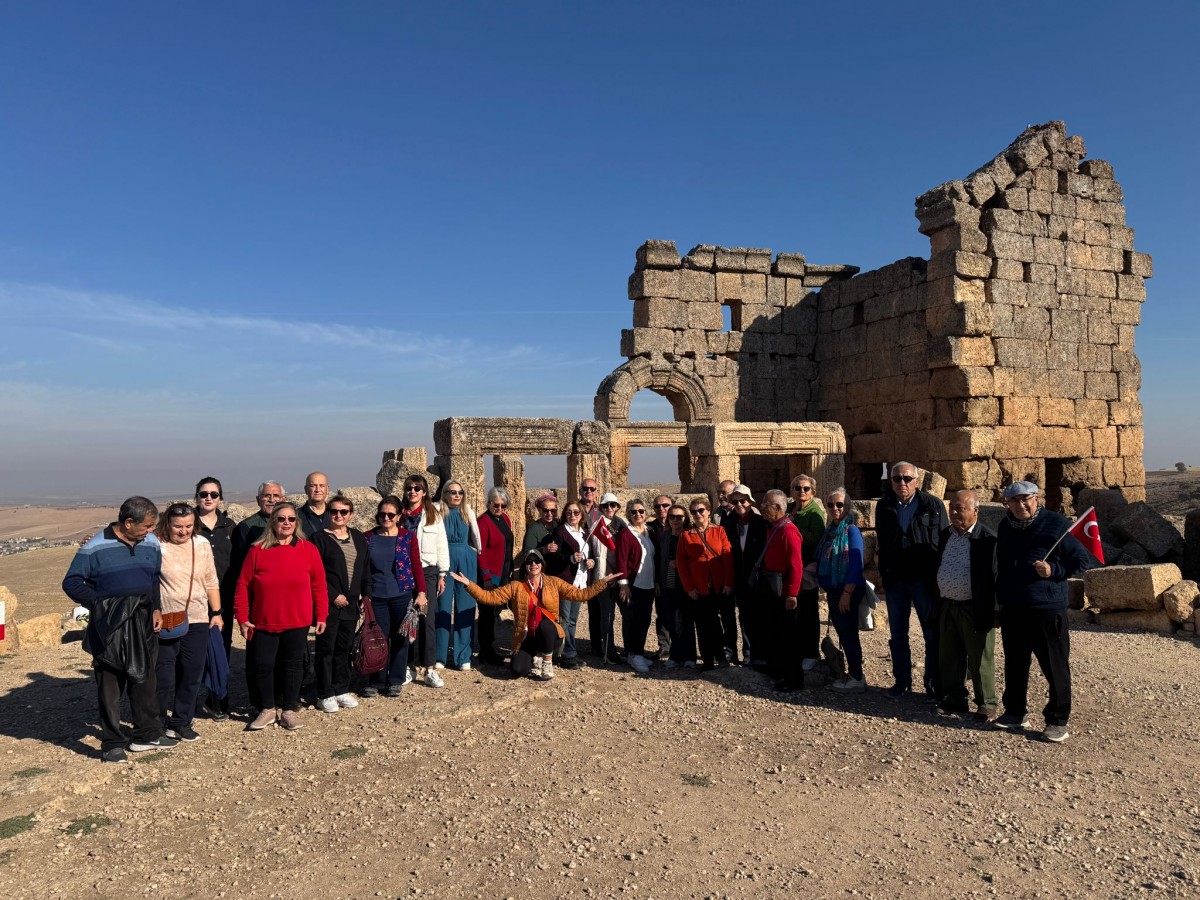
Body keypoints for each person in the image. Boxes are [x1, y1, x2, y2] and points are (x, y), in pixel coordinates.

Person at [63, 497, 177, 762]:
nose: (151, 531)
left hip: (143, 621)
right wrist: (103, 605)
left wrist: (157, 609)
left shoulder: (149, 543)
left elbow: (153, 579)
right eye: (147, 525)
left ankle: (147, 734)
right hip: (109, 626)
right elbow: (72, 583)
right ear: (128, 522)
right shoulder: (95, 547)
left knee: (145, 678)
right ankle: (112, 743)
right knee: (110, 686)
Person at [993, 481, 1094, 742]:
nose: (1021, 505)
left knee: (1054, 666)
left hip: (1046, 609)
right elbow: (1002, 567)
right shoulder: (1005, 526)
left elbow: (1082, 560)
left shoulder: (1057, 524)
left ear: (1037, 499)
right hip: (1013, 608)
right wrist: (999, 603)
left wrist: (1054, 571)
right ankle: (1015, 713)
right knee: (1015, 664)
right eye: (1014, 500)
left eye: (1026, 499)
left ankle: (1057, 720)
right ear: (1007, 503)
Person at [450, 549, 622, 680]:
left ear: (542, 564)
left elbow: (580, 595)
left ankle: (547, 661)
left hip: (549, 636)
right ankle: (535, 657)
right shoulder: (516, 586)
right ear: (525, 567)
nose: (533, 564)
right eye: (529, 562)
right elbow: (490, 597)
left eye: (537, 561)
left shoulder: (553, 583)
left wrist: (602, 583)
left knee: (547, 625)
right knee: (517, 671)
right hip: (527, 637)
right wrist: (469, 584)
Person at [234, 501, 328, 730]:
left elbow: (319, 585)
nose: (286, 523)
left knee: (293, 665)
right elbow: (243, 585)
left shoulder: (308, 549)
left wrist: (322, 615)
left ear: (297, 523)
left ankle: (288, 710)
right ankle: (267, 709)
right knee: (263, 665)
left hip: (297, 619)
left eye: (291, 519)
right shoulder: (257, 550)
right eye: (281, 519)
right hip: (264, 619)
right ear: (273, 522)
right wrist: (242, 616)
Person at [875, 461, 949, 699]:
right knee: (898, 634)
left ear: (917, 481)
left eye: (907, 479)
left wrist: (940, 579)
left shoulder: (933, 505)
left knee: (931, 633)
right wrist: (884, 574)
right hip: (896, 580)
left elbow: (944, 542)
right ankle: (902, 680)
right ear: (891, 481)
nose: (902, 483)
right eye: (897, 479)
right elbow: (883, 543)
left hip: (924, 580)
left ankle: (933, 681)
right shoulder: (884, 506)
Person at [154, 503, 222, 742]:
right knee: (162, 674)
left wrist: (217, 612)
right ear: (167, 524)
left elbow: (211, 580)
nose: (183, 531)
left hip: (198, 618)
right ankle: (156, 722)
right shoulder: (156, 545)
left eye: (188, 526)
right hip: (166, 619)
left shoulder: (201, 545)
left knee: (191, 673)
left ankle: (181, 721)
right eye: (177, 526)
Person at [221, 480, 285, 715]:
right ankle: (259, 701)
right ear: (258, 500)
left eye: (276, 495)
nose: (271, 499)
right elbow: (240, 568)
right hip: (259, 600)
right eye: (267, 496)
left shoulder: (291, 523)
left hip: (285, 600)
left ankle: (283, 697)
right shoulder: (248, 526)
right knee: (259, 655)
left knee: (285, 652)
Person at [935, 490, 999, 721]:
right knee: (949, 656)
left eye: (960, 508)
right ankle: (954, 700)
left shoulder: (987, 540)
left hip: (975, 608)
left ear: (975, 511)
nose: (953, 512)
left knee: (980, 658)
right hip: (948, 606)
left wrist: (995, 611)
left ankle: (987, 704)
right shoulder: (946, 535)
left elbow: (995, 577)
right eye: (952, 507)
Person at [362, 495, 428, 697]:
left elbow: (416, 565)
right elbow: (363, 568)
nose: (386, 518)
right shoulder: (368, 537)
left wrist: (422, 592)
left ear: (399, 516)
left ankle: (396, 680)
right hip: (377, 596)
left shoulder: (408, 537)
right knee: (377, 638)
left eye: (391, 514)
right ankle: (376, 680)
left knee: (400, 638)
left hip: (402, 593)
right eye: (382, 514)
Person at [310, 493, 368, 713]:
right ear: (328, 513)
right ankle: (325, 693)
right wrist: (333, 594)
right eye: (334, 511)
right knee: (326, 648)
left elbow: (365, 568)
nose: (338, 515)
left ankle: (341, 688)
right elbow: (316, 573)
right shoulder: (318, 539)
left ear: (350, 515)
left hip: (352, 603)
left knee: (344, 648)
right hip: (329, 603)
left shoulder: (358, 537)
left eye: (343, 511)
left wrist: (366, 594)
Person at [816, 488, 868, 693]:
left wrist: (846, 594)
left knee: (848, 634)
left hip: (847, 590)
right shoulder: (830, 531)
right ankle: (852, 673)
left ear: (847, 506)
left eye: (840, 505)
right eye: (831, 505)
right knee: (843, 632)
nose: (835, 508)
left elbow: (856, 564)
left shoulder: (851, 530)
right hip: (834, 590)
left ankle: (856, 677)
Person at [401, 475, 449, 688]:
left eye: (417, 488)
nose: (413, 492)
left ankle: (429, 668)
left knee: (427, 619)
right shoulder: (399, 515)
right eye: (409, 488)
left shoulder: (432, 514)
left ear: (424, 492)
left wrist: (443, 573)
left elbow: (441, 543)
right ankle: (408, 665)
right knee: (406, 620)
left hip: (428, 570)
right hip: (404, 571)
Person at [194, 476, 236, 718]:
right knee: (193, 653)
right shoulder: (187, 525)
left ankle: (218, 699)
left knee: (221, 650)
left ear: (221, 498)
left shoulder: (229, 526)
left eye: (213, 494)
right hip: (194, 600)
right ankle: (188, 700)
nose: (208, 498)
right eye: (203, 494)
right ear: (196, 497)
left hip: (223, 600)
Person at [677, 498, 734, 670]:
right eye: (694, 511)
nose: (698, 514)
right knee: (702, 625)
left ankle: (722, 657)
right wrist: (689, 588)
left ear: (709, 511)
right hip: (698, 587)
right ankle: (708, 661)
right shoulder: (686, 535)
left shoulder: (720, 531)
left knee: (718, 623)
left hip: (718, 585)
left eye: (701, 510)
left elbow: (727, 558)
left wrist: (729, 582)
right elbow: (681, 563)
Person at [758, 490, 805, 692]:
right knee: (776, 631)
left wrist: (792, 594)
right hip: (774, 588)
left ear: (777, 508)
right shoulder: (774, 527)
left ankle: (793, 679)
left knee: (789, 637)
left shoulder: (788, 531)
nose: (761, 506)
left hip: (785, 590)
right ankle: (778, 669)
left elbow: (796, 565)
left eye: (765, 504)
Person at [434, 481, 481, 671]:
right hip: (444, 558)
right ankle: (440, 656)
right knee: (441, 607)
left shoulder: (467, 511)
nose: (457, 495)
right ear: (444, 494)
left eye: (460, 492)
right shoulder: (436, 510)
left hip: (466, 560)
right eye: (452, 492)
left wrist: (473, 552)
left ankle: (463, 656)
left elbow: (475, 536)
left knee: (466, 606)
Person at [724, 484, 768, 668]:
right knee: (736, 617)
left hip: (755, 578)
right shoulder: (729, 522)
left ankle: (754, 654)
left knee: (754, 616)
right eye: (735, 501)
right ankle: (735, 653)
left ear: (750, 501)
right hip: (736, 576)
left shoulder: (760, 523)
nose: (739, 504)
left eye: (743, 500)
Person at [547, 501, 594, 669]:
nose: (572, 515)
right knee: (564, 620)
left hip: (580, 582)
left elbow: (591, 554)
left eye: (576, 512)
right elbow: (554, 557)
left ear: (581, 515)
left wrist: (591, 562)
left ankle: (568, 652)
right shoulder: (560, 532)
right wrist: (571, 558)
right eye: (568, 512)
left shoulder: (585, 533)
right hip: (565, 581)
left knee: (572, 620)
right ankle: (566, 655)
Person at [614, 499, 656, 674]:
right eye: (633, 512)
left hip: (649, 584)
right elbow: (621, 560)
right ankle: (634, 654)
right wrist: (623, 584)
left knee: (645, 619)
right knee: (633, 619)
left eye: (641, 511)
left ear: (646, 513)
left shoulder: (649, 532)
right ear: (628, 515)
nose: (638, 514)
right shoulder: (625, 534)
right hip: (633, 584)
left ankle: (636, 652)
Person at [789, 474, 826, 672]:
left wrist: (792, 530)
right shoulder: (791, 509)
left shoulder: (815, 513)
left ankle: (811, 653)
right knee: (794, 612)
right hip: (791, 569)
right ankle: (797, 651)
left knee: (809, 613)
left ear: (813, 492)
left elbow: (816, 539)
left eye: (805, 488)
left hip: (807, 570)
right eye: (797, 488)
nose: (801, 492)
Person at [476, 487, 514, 664]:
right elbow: (480, 551)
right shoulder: (483, 521)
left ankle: (496, 646)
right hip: (491, 575)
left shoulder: (505, 519)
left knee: (497, 611)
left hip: (505, 572)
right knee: (487, 613)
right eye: (496, 505)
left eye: (503, 505)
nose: (499, 508)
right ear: (489, 503)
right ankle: (486, 650)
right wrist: (486, 577)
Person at [588, 493, 626, 664]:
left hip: (622, 576)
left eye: (612, 505)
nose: (609, 508)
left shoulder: (622, 525)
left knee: (627, 613)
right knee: (607, 615)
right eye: (605, 506)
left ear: (617, 507)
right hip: (604, 577)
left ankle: (630, 649)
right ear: (601, 508)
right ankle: (608, 650)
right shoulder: (596, 527)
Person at [657, 503, 695, 668]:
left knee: (686, 620)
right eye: (672, 517)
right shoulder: (665, 537)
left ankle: (690, 656)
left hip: (686, 584)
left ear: (685, 518)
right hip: (668, 584)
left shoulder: (689, 535)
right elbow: (660, 561)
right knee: (672, 621)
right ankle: (675, 654)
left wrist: (680, 564)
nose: (675, 520)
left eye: (679, 517)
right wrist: (659, 582)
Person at [648, 494, 675, 661]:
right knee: (662, 613)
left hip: (677, 576)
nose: (661, 509)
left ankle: (679, 648)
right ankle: (664, 647)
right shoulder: (650, 528)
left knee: (679, 613)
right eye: (658, 507)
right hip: (658, 576)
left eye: (665, 505)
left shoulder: (680, 525)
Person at [522, 494, 566, 573]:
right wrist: (544, 550)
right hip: (542, 571)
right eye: (545, 510)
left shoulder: (560, 525)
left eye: (553, 510)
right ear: (539, 510)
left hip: (560, 570)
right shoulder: (534, 528)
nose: (549, 514)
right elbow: (526, 553)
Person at [298, 471, 331, 538]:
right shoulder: (296, 516)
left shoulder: (335, 514)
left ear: (327, 489)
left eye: (322, 486)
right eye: (313, 486)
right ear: (306, 489)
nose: (317, 490)